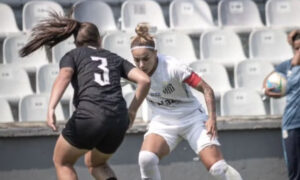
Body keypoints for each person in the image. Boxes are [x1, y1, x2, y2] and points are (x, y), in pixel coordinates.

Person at [19, 13, 150, 180]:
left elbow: (64, 76)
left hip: (90, 116)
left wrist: (51, 108)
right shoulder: (114, 58)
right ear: (99, 40)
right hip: (118, 118)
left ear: (76, 43)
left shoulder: (73, 55)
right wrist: (131, 112)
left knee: (63, 161)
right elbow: (144, 80)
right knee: (97, 164)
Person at [130, 23, 243, 180]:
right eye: (137, 60)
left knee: (218, 168)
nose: (141, 65)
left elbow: (207, 89)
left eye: (145, 59)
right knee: (146, 159)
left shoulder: (173, 67)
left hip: (193, 119)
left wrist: (212, 118)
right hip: (163, 122)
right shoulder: (131, 72)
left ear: (155, 53)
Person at [263, 29, 300, 180]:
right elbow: (267, 84)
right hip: (293, 125)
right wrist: (268, 90)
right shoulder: (286, 67)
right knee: (295, 173)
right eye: (297, 48)